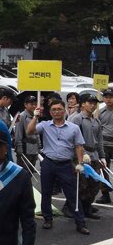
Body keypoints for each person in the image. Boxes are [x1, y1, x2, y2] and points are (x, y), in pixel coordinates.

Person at [26, 99, 89, 235]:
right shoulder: (45, 125)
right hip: (48, 163)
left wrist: (80, 163)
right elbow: (29, 131)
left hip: (66, 165)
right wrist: (35, 116)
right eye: (53, 109)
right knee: (46, 193)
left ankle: (80, 222)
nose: (56, 112)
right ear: (50, 112)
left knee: (72, 195)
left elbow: (79, 146)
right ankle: (48, 219)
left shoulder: (73, 128)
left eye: (59, 109)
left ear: (64, 110)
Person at [69, 93, 103, 221]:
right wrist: (79, 157)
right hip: (81, 156)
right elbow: (71, 139)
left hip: (94, 156)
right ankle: (77, 209)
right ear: (83, 104)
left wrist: (102, 156)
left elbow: (99, 141)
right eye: (90, 102)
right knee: (81, 185)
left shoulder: (96, 120)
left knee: (95, 184)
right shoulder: (76, 119)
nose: (93, 105)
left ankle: (87, 207)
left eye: (95, 103)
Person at [14, 94, 41, 178]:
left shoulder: (36, 115)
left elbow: (37, 133)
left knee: (30, 172)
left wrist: (39, 146)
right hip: (25, 146)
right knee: (23, 172)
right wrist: (19, 147)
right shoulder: (21, 116)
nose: (34, 106)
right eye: (31, 104)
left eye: (35, 104)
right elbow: (18, 133)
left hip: (34, 147)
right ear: (25, 105)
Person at [98, 88, 113, 204]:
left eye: (111, 97)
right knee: (103, 169)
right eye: (106, 97)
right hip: (104, 144)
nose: (108, 99)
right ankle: (105, 194)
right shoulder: (100, 111)